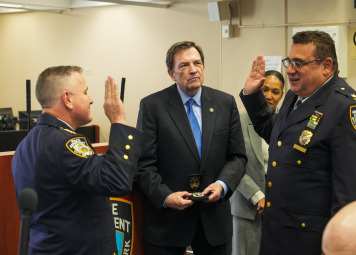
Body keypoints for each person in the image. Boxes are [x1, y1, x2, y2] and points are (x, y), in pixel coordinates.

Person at [239, 31, 356, 255]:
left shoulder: (350, 112)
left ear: (326, 65)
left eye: (299, 63)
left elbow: (351, 201)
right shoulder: (295, 97)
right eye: (289, 61)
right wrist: (252, 94)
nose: (289, 70)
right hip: (277, 237)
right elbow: (277, 135)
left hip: (311, 244)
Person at [12, 66, 143, 255]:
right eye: (86, 92)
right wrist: (118, 121)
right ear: (67, 99)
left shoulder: (25, 144)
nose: (91, 99)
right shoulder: (67, 143)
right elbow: (117, 182)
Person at [135, 41, 247, 255]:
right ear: (171, 73)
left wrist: (222, 185)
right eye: (184, 65)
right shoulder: (152, 106)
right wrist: (166, 197)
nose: (193, 69)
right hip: (168, 224)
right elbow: (144, 165)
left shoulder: (225, 103)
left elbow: (237, 157)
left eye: (197, 63)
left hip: (214, 222)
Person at [230, 70, 285, 255]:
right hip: (246, 209)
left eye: (275, 92)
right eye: (264, 90)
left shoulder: (288, 124)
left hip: (279, 211)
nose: (269, 96)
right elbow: (231, 162)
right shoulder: (237, 119)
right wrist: (257, 195)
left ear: (282, 95)